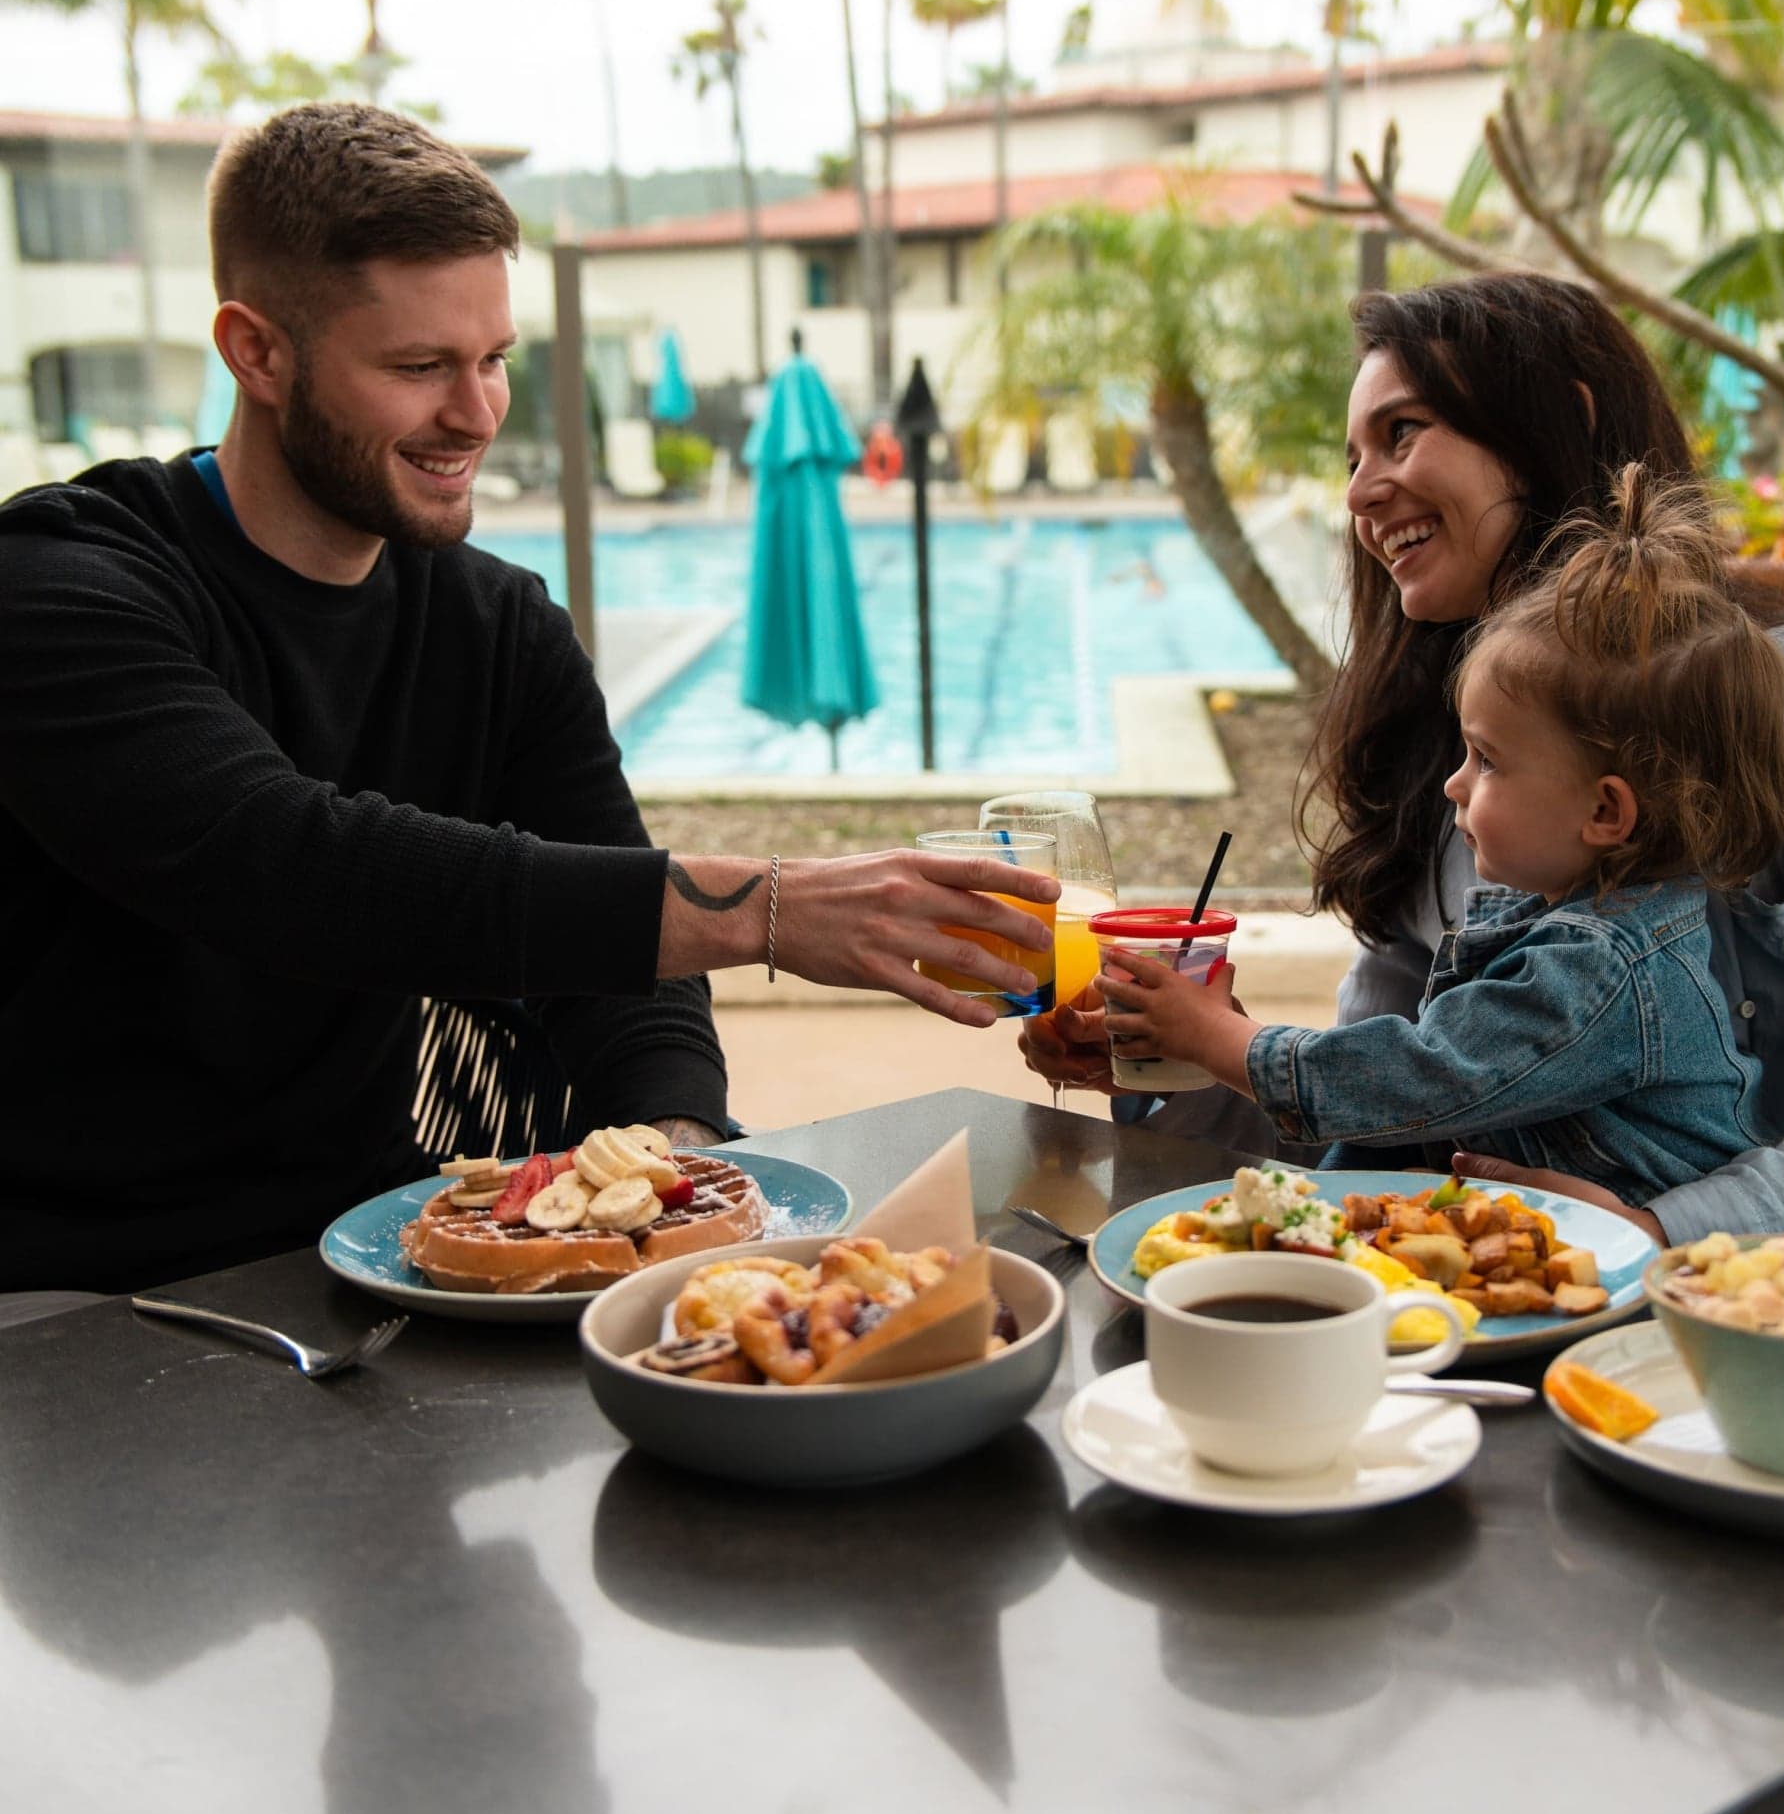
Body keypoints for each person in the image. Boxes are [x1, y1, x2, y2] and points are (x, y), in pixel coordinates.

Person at [0, 104, 1056, 1295]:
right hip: (61, 1298)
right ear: (256, 353)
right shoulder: (60, 587)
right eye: (418, 368)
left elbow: (618, 973)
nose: (478, 413)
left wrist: (672, 1165)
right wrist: (769, 907)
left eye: (495, 358)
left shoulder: (499, 627)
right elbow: (290, 864)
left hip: (368, 1257)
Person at [1025, 272, 1784, 1247]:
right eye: (1353, 454)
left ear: (1553, 421)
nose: (1360, 492)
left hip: (1782, 1323)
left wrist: (1668, 1230)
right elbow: (1395, 1111)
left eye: (1403, 431)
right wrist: (1185, 1058)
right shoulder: (1444, 762)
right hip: (1497, 1318)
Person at [1099, 466, 1784, 1209]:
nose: (1451, 784)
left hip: (1628, 1287)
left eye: (1487, 760)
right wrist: (1206, 1043)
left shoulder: (1604, 968)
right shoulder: (1564, 923)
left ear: (1604, 813)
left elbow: (1424, 1073)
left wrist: (1220, 1043)